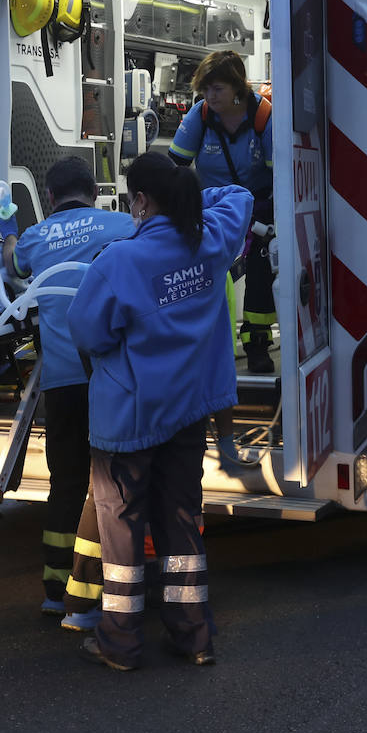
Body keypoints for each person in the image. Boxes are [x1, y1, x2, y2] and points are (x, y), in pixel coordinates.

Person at [68, 150, 250, 671]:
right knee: (182, 523)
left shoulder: (119, 262)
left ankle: (121, 641)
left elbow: (87, 333)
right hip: (189, 411)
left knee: (121, 529)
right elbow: (237, 196)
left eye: (133, 201)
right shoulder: (210, 240)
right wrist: (185, 200)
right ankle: (194, 636)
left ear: (142, 200)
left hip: (130, 420)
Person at [0, 157, 132, 620]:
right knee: (109, 489)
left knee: (66, 484)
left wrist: (8, 227)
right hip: (109, 380)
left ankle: (55, 590)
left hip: (61, 382)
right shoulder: (122, 224)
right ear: (94, 192)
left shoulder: (36, 238)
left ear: (51, 197)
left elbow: (10, 261)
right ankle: (101, 588)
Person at [168, 50, 276, 373]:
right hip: (213, 209)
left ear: (237, 88)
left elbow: (281, 176)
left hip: (259, 205)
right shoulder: (201, 116)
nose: (209, 96)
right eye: (205, 89)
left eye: (217, 89)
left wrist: (263, 217)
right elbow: (174, 167)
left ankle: (257, 343)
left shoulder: (263, 117)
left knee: (259, 267)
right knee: (202, 270)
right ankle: (200, 342)